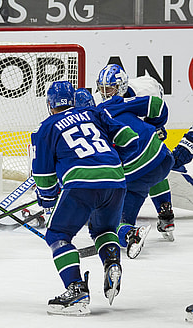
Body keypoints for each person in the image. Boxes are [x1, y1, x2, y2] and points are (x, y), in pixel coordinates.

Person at [31, 81, 139, 315]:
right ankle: (112, 261)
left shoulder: (46, 127)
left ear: (49, 104)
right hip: (116, 180)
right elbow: (130, 139)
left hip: (81, 185)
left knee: (58, 235)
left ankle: (76, 289)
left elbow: (43, 174)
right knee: (103, 230)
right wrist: (110, 161)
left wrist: (49, 200)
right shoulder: (94, 112)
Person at [96, 64, 175, 244]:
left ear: (121, 86)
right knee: (154, 168)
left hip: (135, 176)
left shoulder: (102, 109)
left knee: (117, 223)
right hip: (162, 157)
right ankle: (165, 211)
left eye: (109, 88)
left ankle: (129, 234)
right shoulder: (121, 100)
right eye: (102, 89)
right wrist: (155, 128)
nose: (105, 93)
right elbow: (157, 105)